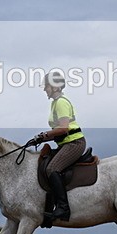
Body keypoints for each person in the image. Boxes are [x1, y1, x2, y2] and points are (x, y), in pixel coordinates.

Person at [32, 70, 86, 222]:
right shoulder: (55, 103)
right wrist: (42, 138)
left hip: (74, 143)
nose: (44, 89)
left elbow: (63, 128)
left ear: (55, 87)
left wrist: (44, 135)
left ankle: (63, 208)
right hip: (65, 143)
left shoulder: (61, 103)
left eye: (46, 86)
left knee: (52, 168)